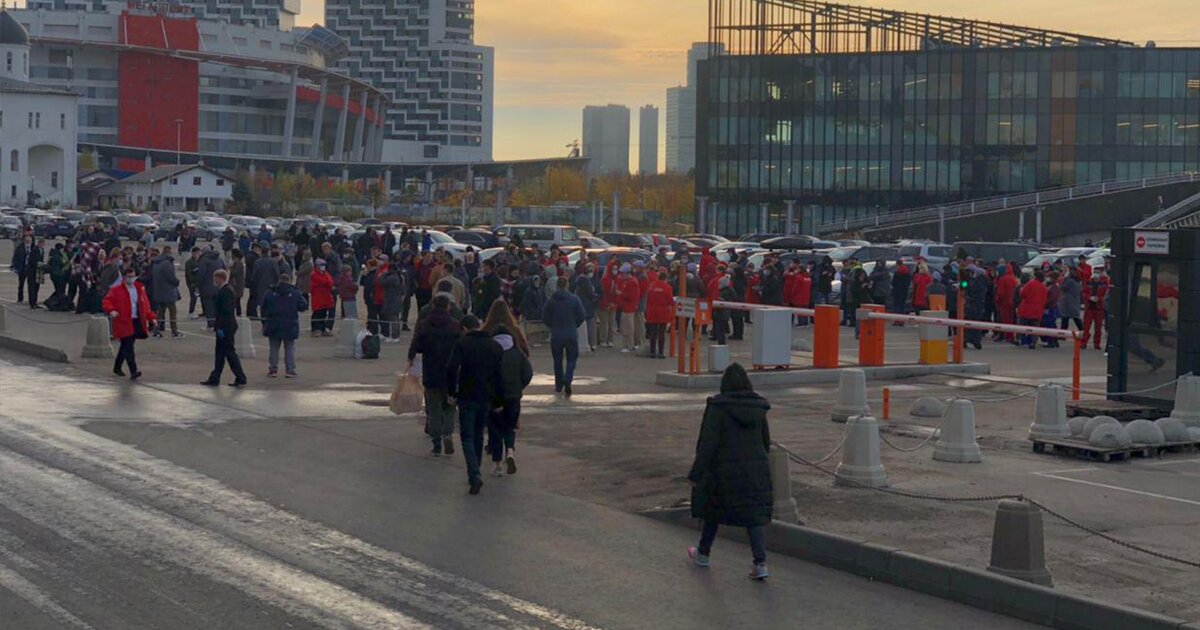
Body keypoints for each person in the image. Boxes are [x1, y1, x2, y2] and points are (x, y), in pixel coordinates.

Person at [686, 363, 773, 580]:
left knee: (712, 510)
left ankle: (703, 553)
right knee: (754, 516)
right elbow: (766, 442)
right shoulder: (758, 408)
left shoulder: (717, 407)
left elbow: (707, 444)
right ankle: (760, 562)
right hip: (754, 469)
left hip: (722, 469)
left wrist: (696, 474)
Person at [446, 314, 503, 495]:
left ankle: (474, 474)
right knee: (478, 434)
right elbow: (499, 375)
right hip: (486, 396)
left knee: (467, 436)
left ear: (464, 328)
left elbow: (451, 368)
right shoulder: (494, 346)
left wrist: (451, 392)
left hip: (467, 395)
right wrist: (498, 400)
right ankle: (475, 471)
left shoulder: (462, 344)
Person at [408, 294, 463, 456]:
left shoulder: (424, 325)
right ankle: (448, 434)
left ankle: (437, 443)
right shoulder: (455, 326)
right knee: (450, 407)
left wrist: (411, 359)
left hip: (431, 371)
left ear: (432, 306)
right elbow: (461, 347)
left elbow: (415, 346)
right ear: (448, 307)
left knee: (433, 409)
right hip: (451, 373)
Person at [490, 324, 533, 477]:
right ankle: (510, 451)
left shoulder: (491, 352)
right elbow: (528, 373)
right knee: (510, 427)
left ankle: (497, 464)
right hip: (514, 397)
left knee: (495, 430)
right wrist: (519, 386)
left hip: (495, 398)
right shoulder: (517, 353)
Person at [103, 267, 157, 381]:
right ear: (124, 277)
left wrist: (151, 317)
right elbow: (107, 301)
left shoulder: (139, 289)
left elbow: (145, 305)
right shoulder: (116, 290)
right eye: (129, 277)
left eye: (133, 276)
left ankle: (117, 367)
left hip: (136, 320)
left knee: (125, 346)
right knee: (128, 347)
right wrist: (111, 310)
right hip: (122, 321)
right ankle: (134, 370)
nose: (132, 279)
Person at [201, 269, 248, 387]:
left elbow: (225, 311)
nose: (213, 281)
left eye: (214, 278)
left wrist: (220, 327)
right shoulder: (226, 290)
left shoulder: (225, 291)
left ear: (220, 278)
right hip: (225, 326)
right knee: (220, 354)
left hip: (225, 327)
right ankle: (215, 377)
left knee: (229, 353)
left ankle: (240, 377)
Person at [542, 276, 586, 395]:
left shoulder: (551, 300)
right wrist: (574, 325)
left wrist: (552, 325)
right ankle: (568, 378)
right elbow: (582, 315)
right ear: (567, 285)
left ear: (557, 286)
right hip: (570, 333)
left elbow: (544, 316)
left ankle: (558, 384)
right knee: (572, 359)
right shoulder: (574, 299)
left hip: (556, 334)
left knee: (557, 360)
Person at [262, 273, 308, 378]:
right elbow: (304, 306)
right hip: (290, 324)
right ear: (289, 281)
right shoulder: (295, 293)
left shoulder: (270, 292)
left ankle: (273, 369)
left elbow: (263, 305)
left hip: (273, 323)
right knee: (289, 347)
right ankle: (290, 370)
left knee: (274, 347)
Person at [150, 245, 182, 338]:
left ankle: (156, 330)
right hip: (168, 292)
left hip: (158, 291)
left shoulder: (156, 263)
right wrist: (177, 282)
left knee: (160, 313)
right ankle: (174, 331)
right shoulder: (167, 263)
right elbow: (171, 277)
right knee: (172, 312)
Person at [645, 270, 675, 357]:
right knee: (661, 332)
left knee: (653, 333)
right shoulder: (667, 287)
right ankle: (661, 352)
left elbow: (648, 298)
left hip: (651, 311)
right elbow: (671, 301)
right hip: (663, 312)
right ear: (666, 278)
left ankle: (652, 352)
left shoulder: (651, 286)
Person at [614, 264, 642, 353]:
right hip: (625, 307)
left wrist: (620, 293)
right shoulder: (626, 281)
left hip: (629, 307)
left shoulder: (632, 282)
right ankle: (626, 345)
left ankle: (629, 345)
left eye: (623, 273)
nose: (621, 275)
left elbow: (633, 296)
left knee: (629, 327)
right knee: (625, 327)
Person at [1017, 271, 1048, 349]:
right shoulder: (1044, 287)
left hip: (1027, 308)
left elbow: (1022, 294)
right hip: (1038, 310)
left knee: (1022, 326)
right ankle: (1033, 342)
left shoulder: (1030, 284)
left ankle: (1023, 341)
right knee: (1035, 327)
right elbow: (1045, 300)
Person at [196, 247, 226, 329]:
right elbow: (225, 270)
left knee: (209, 307)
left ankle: (211, 324)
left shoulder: (204, 261)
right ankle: (218, 323)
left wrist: (198, 286)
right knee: (217, 306)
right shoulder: (219, 259)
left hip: (207, 287)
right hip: (219, 287)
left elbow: (201, 275)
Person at [1081, 268, 1109, 350]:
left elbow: (1106, 295)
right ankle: (1084, 343)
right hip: (1089, 308)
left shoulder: (1104, 284)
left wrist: (1099, 299)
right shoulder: (1088, 282)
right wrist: (1089, 298)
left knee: (1098, 328)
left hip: (1099, 308)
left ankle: (1097, 344)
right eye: (1095, 272)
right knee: (1086, 327)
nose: (1096, 274)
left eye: (1098, 272)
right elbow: (1083, 293)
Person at [379, 260, 406, 343]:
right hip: (396, 299)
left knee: (393, 319)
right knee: (395, 318)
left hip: (392, 300)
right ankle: (395, 335)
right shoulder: (400, 277)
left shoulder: (392, 277)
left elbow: (382, 282)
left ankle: (394, 336)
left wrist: (384, 274)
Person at [309, 259, 336, 337]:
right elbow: (325, 281)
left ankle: (322, 329)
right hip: (318, 297)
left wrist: (328, 282)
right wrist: (328, 282)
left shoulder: (325, 273)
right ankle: (315, 329)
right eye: (321, 265)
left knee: (324, 313)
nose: (323, 267)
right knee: (317, 313)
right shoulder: (314, 274)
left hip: (325, 297)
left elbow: (330, 281)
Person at [229, 249, 246, 317]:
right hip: (237, 285)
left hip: (236, 285)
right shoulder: (238, 263)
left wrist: (230, 268)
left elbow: (234, 273)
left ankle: (238, 314)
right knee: (236, 301)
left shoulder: (238, 263)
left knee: (236, 301)